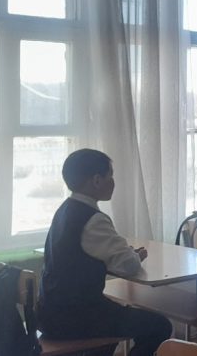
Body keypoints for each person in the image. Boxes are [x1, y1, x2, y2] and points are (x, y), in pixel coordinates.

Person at [38, 149, 171, 356]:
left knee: (116, 317)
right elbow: (129, 266)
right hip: (75, 316)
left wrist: (125, 254)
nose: (113, 182)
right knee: (159, 326)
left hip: (50, 312)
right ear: (97, 180)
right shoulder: (93, 219)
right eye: (111, 176)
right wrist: (135, 256)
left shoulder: (64, 210)